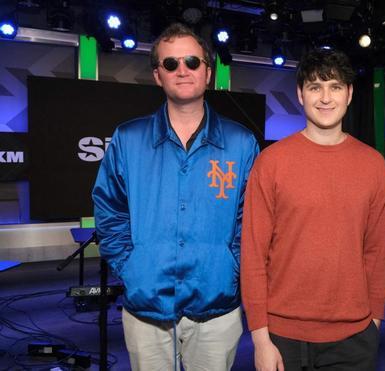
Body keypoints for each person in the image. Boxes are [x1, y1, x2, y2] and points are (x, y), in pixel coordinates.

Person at [92, 23, 259, 371]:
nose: (182, 70)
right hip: (146, 307)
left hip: (217, 308)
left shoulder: (241, 142)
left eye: (192, 62)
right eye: (170, 64)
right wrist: (133, 267)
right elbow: (110, 211)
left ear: (208, 72)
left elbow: (253, 220)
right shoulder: (128, 139)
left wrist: (230, 269)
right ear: (157, 75)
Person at [240, 48, 385, 371]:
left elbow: (378, 252)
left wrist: (374, 322)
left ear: (349, 94)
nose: (325, 97)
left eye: (335, 86)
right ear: (300, 94)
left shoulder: (372, 163)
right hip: (282, 337)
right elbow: (254, 253)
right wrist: (260, 339)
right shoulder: (271, 162)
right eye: (314, 87)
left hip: (354, 338)